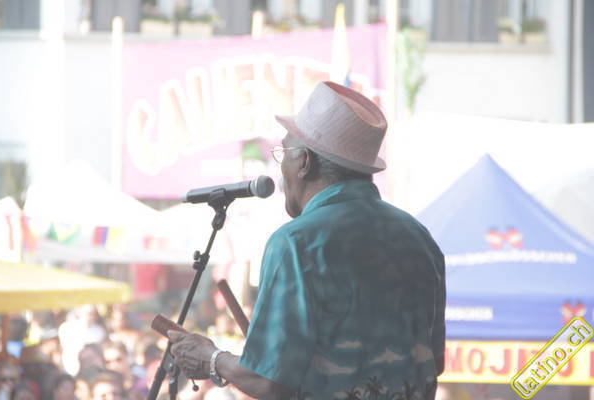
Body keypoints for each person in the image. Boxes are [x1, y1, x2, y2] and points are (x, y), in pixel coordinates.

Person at [168, 81, 446, 399]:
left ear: (304, 162)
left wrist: (212, 359)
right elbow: (433, 362)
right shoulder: (419, 239)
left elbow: (268, 383)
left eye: (283, 153)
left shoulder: (297, 242)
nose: (281, 170)